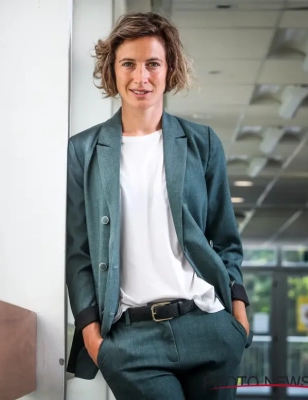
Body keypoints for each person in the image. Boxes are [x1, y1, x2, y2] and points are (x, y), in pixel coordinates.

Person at [65, 12, 252, 399]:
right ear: (112, 70)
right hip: (131, 341)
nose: (141, 77)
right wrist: (93, 337)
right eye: (128, 64)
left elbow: (225, 239)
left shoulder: (202, 143)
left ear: (170, 70)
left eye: (152, 63)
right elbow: (78, 250)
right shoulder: (83, 150)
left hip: (208, 326)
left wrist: (238, 317)